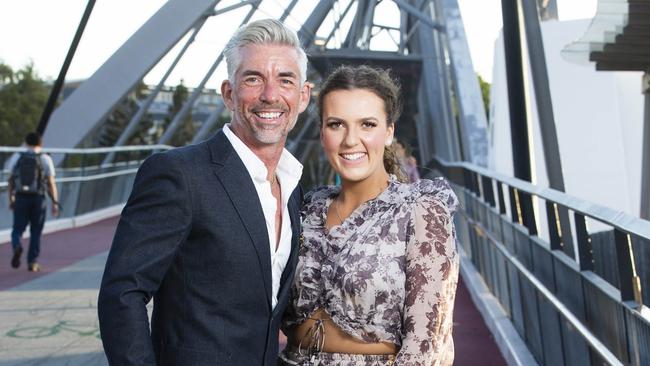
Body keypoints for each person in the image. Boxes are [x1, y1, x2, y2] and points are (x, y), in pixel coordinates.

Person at [98, 19, 312, 366]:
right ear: (229, 92)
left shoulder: (292, 188)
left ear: (303, 96)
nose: (270, 94)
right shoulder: (180, 175)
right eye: (253, 78)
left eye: (285, 80)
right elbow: (122, 294)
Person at [280, 65, 459, 365]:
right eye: (336, 124)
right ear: (322, 133)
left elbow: (425, 348)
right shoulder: (306, 207)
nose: (351, 140)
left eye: (367, 124)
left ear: (388, 132)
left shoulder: (420, 210)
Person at [7, 132, 59, 272]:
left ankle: (17, 245)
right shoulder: (45, 158)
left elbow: (11, 179)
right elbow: (51, 182)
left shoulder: (18, 157)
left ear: (26, 142)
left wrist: (10, 198)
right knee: (36, 231)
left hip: (21, 197)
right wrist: (55, 202)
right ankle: (32, 262)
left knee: (17, 229)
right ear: (40, 143)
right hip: (38, 198)